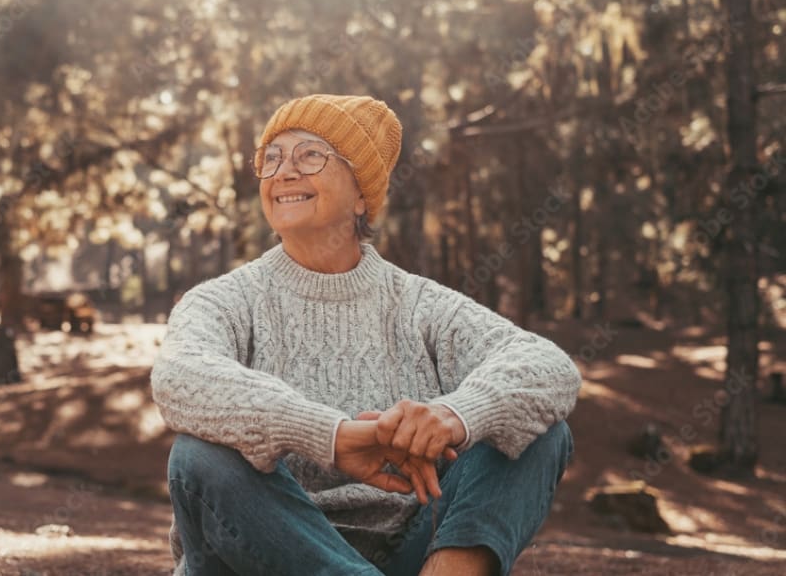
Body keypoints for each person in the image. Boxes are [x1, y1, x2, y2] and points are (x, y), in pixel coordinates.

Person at [150, 94, 581, 576]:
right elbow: (179, 377)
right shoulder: (224, 300)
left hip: (406, 556)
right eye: (271, 159)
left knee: (536, 429)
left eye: (310, 155)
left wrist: (454, 416)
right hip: (255, 556)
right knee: (199, 456)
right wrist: (331, 435)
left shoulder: (420, 304)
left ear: (361, 195)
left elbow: (549, 367)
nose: (283, 172)